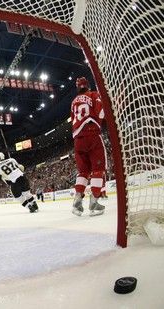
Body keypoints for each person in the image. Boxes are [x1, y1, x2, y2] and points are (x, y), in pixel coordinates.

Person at [70, 77, 106, 216]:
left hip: (77, 139)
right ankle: (94, 202)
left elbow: (73, 119)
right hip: (92, 135)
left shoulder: (73, 102)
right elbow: (101, 113)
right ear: (88, 86)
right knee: (98, 169)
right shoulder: (93, 94)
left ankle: (77, 201)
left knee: (83, 171)